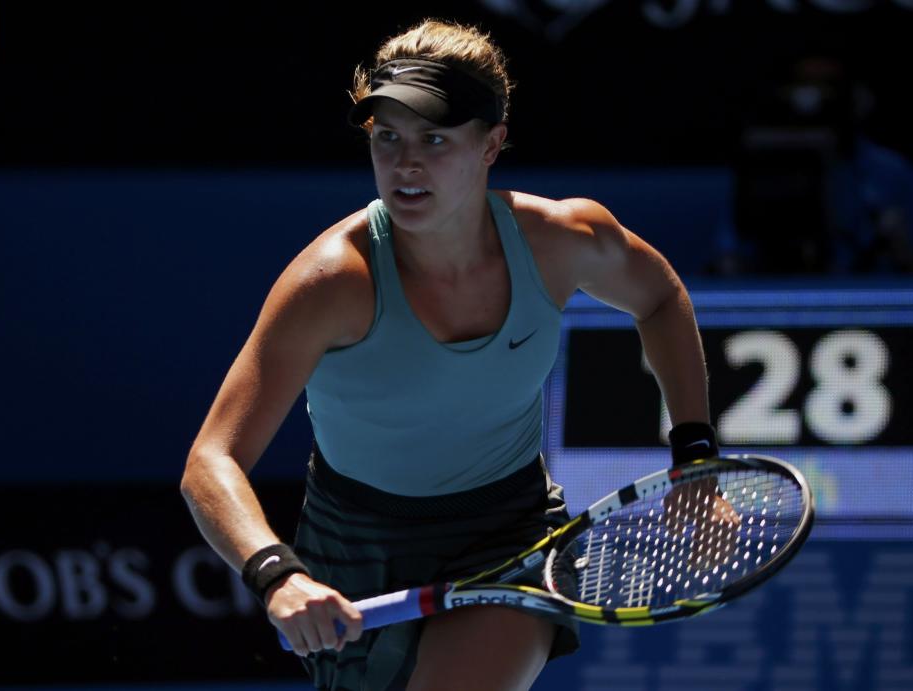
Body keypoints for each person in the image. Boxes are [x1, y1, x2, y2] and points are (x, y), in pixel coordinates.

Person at [181, 19, 721, 691]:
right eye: (388, 139)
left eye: (434, 139)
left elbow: (660, 298)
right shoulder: (329, 283)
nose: (406, 163)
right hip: (354, 543)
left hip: (508, 532)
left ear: (492, 144)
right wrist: (277, 572)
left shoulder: (564, 238)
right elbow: (211, 459)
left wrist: (695, 455)